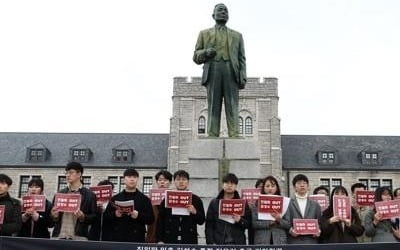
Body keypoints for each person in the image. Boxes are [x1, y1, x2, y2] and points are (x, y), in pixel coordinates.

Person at [193, 3, 246, 137]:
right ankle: (212, 133)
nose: (223, 12)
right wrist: (205, 52)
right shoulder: (204, 34)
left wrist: (243, 76)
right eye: (220, 10)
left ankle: (234, 133)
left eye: (225, 11)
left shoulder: (237, 36)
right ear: (213, 15)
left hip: (231, 71)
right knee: (213, 104)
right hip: (213, 70)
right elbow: (196, 56)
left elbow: (242, 58)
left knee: (232, 104)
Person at [104, 168, 154, 242]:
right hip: (118, 237)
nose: (132, 179)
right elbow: (106, 217)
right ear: (124, 179)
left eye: (134, 177)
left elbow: (151, 219)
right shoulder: (115, 198)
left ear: (137, 179)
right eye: (129, 177)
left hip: (137, 237)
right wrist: (115, 214)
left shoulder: (144, 199)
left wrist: (138, 215)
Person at [50, 162, 97, 240]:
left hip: (79, 237)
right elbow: (51, 219)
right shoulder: (59, 194)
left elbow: (94, 217)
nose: (67, 175)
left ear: (79, 174)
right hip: (59, 236)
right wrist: (54, 216)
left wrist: (83, 217)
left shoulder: (90, 195)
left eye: (71, 172)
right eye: (66, 173)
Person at [156, 170, 205, 244]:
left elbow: (201, 221)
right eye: (178, 179)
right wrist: (159, 240)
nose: (181, 182)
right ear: (174, 182)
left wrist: (195, 212)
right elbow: (160, 221)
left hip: (189, 239)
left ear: (188, 182)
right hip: (169, 238)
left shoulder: (196, 199)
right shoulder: (167, 198)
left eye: (184, 179)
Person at [205, 173, 251, 245]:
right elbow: (209, 225)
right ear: (223, 185)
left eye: (232, 183)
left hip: (237, 243)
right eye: (226, 183)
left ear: (236, 186)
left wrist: (240, 220)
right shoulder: (214, 203)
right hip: (218, 243)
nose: (229, 185)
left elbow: (248, 224)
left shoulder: (243, 203)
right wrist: (211, 243)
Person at [251, 176, 290, 245]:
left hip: (279, 240)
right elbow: (254, 223)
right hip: (262, 240)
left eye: (273, 186)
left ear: (277, 187)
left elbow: (288, 224)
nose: (270, 188)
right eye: (267, 186)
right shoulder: (257, 203)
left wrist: (279, 219)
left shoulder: (284, 202)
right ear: (263, 188)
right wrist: (269, 223)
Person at [285, 174, 322, 244]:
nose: (302, 185)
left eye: (304, 183)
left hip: (311, 241)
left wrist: (318, 230)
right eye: (299, 183)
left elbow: (319, 222)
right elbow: (286, 222)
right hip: (294, 241)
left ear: (308, 186)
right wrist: (290, 230)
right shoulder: (288, 203)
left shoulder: (315, 205)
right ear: (294, 187)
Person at [145, 170, 172, 243]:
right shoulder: (148, 200)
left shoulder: (173, 199)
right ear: (157, 182)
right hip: (152, 238)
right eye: (160, 180)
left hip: (169, 239)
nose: (162, 182)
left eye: (165, 180)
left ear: (170, 182)